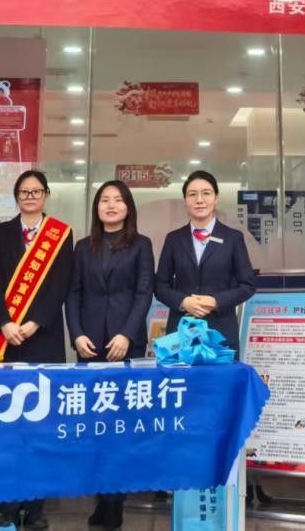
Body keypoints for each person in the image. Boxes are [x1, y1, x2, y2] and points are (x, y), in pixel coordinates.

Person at [0, 170, 74, 531]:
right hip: (4, 340)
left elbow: (61, 285)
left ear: (46, 195)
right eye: (24, 191)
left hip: (44, 337)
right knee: (7, 423)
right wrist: (4, 322)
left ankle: (35, 507)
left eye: (36, 191)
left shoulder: (60, 234)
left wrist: (36, 321)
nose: (30, 196)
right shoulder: (0, 233)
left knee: (41, 423)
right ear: (16, 196)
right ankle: (8, 504)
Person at [66, 180, 154, 531]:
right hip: (89, 344)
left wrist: (126, 334)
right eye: (105, 200)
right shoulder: (83, 246)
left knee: (122, 426)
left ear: (128, 207)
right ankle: (101, 497)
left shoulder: (141, 245)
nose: (111, 205)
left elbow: (144, 292)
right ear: (97, 207)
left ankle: (116, 500)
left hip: (125, 344)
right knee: (94, 425)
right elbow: (73, 293)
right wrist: (76, 334)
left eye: (118, 200)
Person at [154, 170, 255, 355]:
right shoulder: (174, 239)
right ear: (185, 200)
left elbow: (247, 286)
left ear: (216, 198)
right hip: (182, 331)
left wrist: (215, 301)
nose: (199, 200)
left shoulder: (233, 238)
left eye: (206, 193)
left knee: (221, 375)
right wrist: (184, 302)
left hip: (221, 332)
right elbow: (160, 286)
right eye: (192, 194)